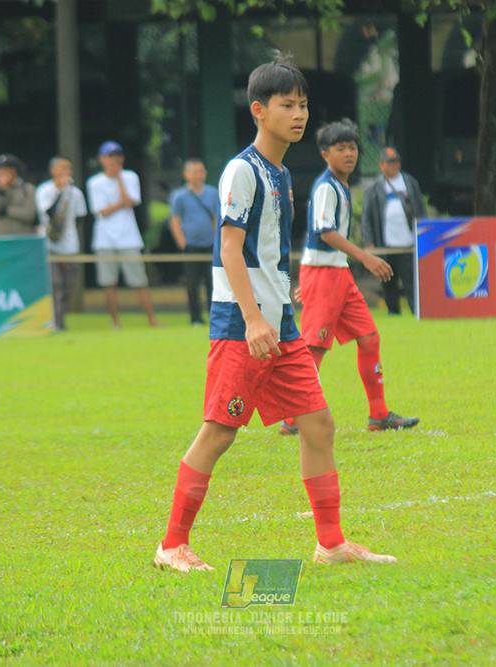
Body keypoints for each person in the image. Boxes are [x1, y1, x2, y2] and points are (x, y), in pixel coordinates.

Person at [153, 58, 397, 573]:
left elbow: (266, 254)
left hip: (280, 324)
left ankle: (330, 543)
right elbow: (229, 249)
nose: (299, 114)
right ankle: (171, 545)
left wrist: (281, 306)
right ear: (259, 110)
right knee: (219, 431)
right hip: (244, 327)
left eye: (303, 104)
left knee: (319, 424)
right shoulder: (242, 170)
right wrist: (253, 318)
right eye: (287, 105)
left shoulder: (282, 172)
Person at [280, 120, 419, 437]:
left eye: (353, 147)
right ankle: (291, 416)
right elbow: (325, 232)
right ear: (325, 153)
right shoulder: (326, 186)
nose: (348, 154)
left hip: (336, 273)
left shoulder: (341, 186)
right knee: (314, 346)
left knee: (369, 338)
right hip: (325, 273)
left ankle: (379, 415)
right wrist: (365, 257)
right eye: (340, 148)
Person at [86, 140, 160, 329]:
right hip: (104, 240)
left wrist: (119, 180)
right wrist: (120, 203)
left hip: (129, 238)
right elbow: (101, 211)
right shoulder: (94, 182)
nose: (115, 160)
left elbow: (130, 201)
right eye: (110, 157)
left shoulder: (130, 177)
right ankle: (115, 322)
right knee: (108, 282)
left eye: (118, 156)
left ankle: (152, 319)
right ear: (102, 159)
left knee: (139, 281)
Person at [360, 146, 426, 315]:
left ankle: (415, 311)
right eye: (389, 163)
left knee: (410, 279)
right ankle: (393, 311)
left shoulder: (410, 183)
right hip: (385, 243)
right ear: (381, 165)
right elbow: (366, 217)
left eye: (395, 161)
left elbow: (420, 209)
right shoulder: (374, 188)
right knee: (387, 279)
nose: (393, 166)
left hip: (407, 242)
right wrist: (369, 242)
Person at [36, 156, 88, 331]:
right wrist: (60, 193)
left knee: (68, 286)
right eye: (63, 168)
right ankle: (55, 322)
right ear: (53, 171)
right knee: (55, 284)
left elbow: (80, 218)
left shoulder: (76, 193)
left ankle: (60, 319)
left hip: (70, 246)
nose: (67, 172)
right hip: (50, 245)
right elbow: (48, 212)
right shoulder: (44, 191)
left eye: (69, 169)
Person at [168, 157, 219, 326]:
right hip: (191, 245)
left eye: (200, 171)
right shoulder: (179, 196)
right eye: (194, 172)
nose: (198, 175)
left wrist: (216, 239)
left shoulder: (212, 193)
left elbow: (216, 217)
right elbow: (175, 220)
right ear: (186, 175)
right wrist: (182, 242)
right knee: (192, 283)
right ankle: (195, 317)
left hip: (210, 245)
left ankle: (214, 317)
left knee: (213, 283)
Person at [0, 154, 37, 236]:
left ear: (14, 170)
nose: (0, 171)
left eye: (4, 168)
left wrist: (5, 210)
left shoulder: (29, 188)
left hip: (22, 238)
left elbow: (29, 215)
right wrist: (2, 191)